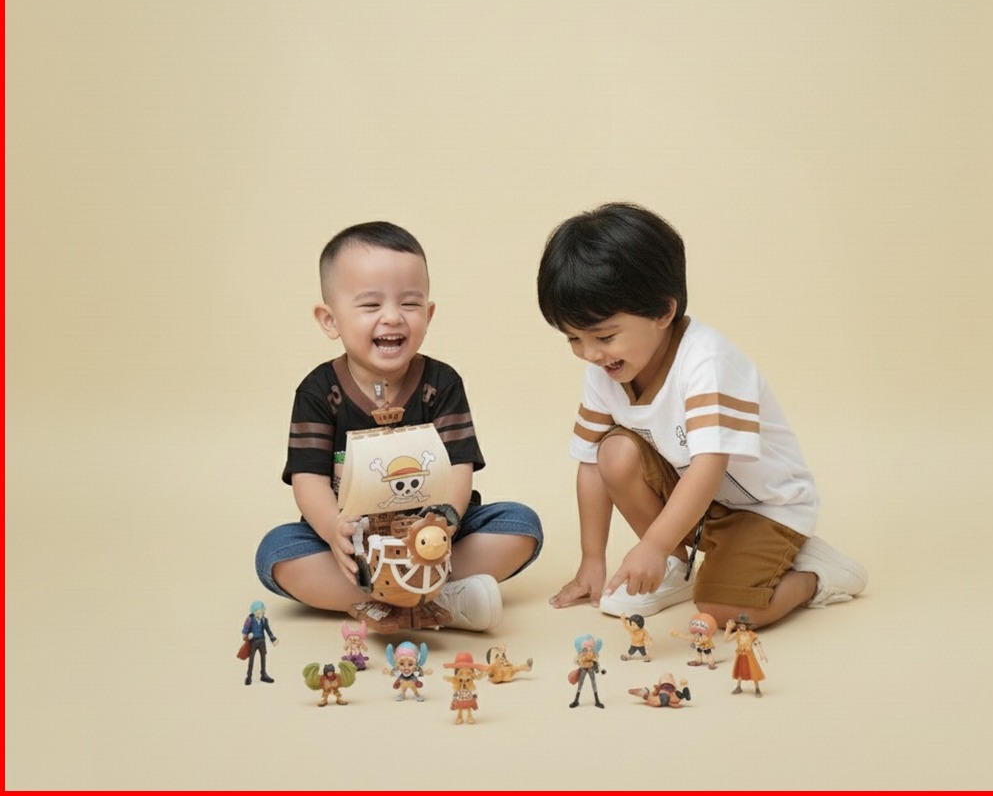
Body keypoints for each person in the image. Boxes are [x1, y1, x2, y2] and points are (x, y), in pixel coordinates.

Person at [536, 202, 867, 629]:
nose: (590, 353)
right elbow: (590, 465)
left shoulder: (706, 361)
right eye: (573, 339)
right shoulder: (605, 369)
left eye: (604, 336)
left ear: (663, 312)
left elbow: (709, 465)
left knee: (722, 612)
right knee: (612, 452)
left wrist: (653, 544)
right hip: (700, 505)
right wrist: (592, 560)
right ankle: (677, 568)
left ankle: (817, 575)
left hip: (766, 509)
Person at [255, 221, 542, 632]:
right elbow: (308, 479)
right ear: (330, 320)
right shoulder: (319, 391)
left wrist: (446, 520)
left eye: (409, 304)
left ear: (428, 314)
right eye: (371, 305)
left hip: (435, 538)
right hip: (354, 545)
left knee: (521, 526)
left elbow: (459, 466)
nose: (392, 317)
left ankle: (412, 594)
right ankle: (429, 599)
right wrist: (333, 528)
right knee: (276, 554)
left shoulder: (442, 384)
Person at [241, 600, 278, 685]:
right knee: (251, 660)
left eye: (262, 611)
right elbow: (245, 631)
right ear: (254, 612)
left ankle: (263, 675)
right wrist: (247, 636)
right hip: (253, 642)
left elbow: (268, 630)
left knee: (263, 658)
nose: (261, 613)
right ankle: (249, 676)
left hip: (262, 641)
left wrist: (273, 639)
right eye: (259, 612)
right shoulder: (250, 620)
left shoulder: (264, 620)